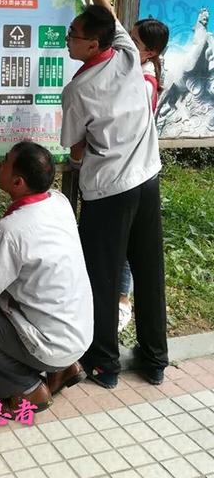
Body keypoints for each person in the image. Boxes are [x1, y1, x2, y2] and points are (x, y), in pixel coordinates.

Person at [61, 0, 168, 389]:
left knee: (102, 277)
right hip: (148, 178)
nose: (67, 38)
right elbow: (110, 14)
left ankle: (105, 365)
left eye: (71, 35)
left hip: (107, 193)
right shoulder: (126, 52)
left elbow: (73, 149)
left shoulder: (78, 90)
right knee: (148, 269)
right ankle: (155, 360)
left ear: (92, 45)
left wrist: (90, 148)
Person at [0, 141, 93, 413]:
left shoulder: (10, 230)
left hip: (51, 345)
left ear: (18, 182)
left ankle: (27, 389)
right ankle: (63, 369)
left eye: (5, 161)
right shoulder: (58, 201)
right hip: (80, 335)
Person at [118, 18, 169, 331]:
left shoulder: (145, 82)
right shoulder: (136, 69)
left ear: (150, 52)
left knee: (128, 239)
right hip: (129, 170)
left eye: (134, 42)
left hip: (133, 172)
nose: (127, 43)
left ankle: (123, 301)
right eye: (129, 35)